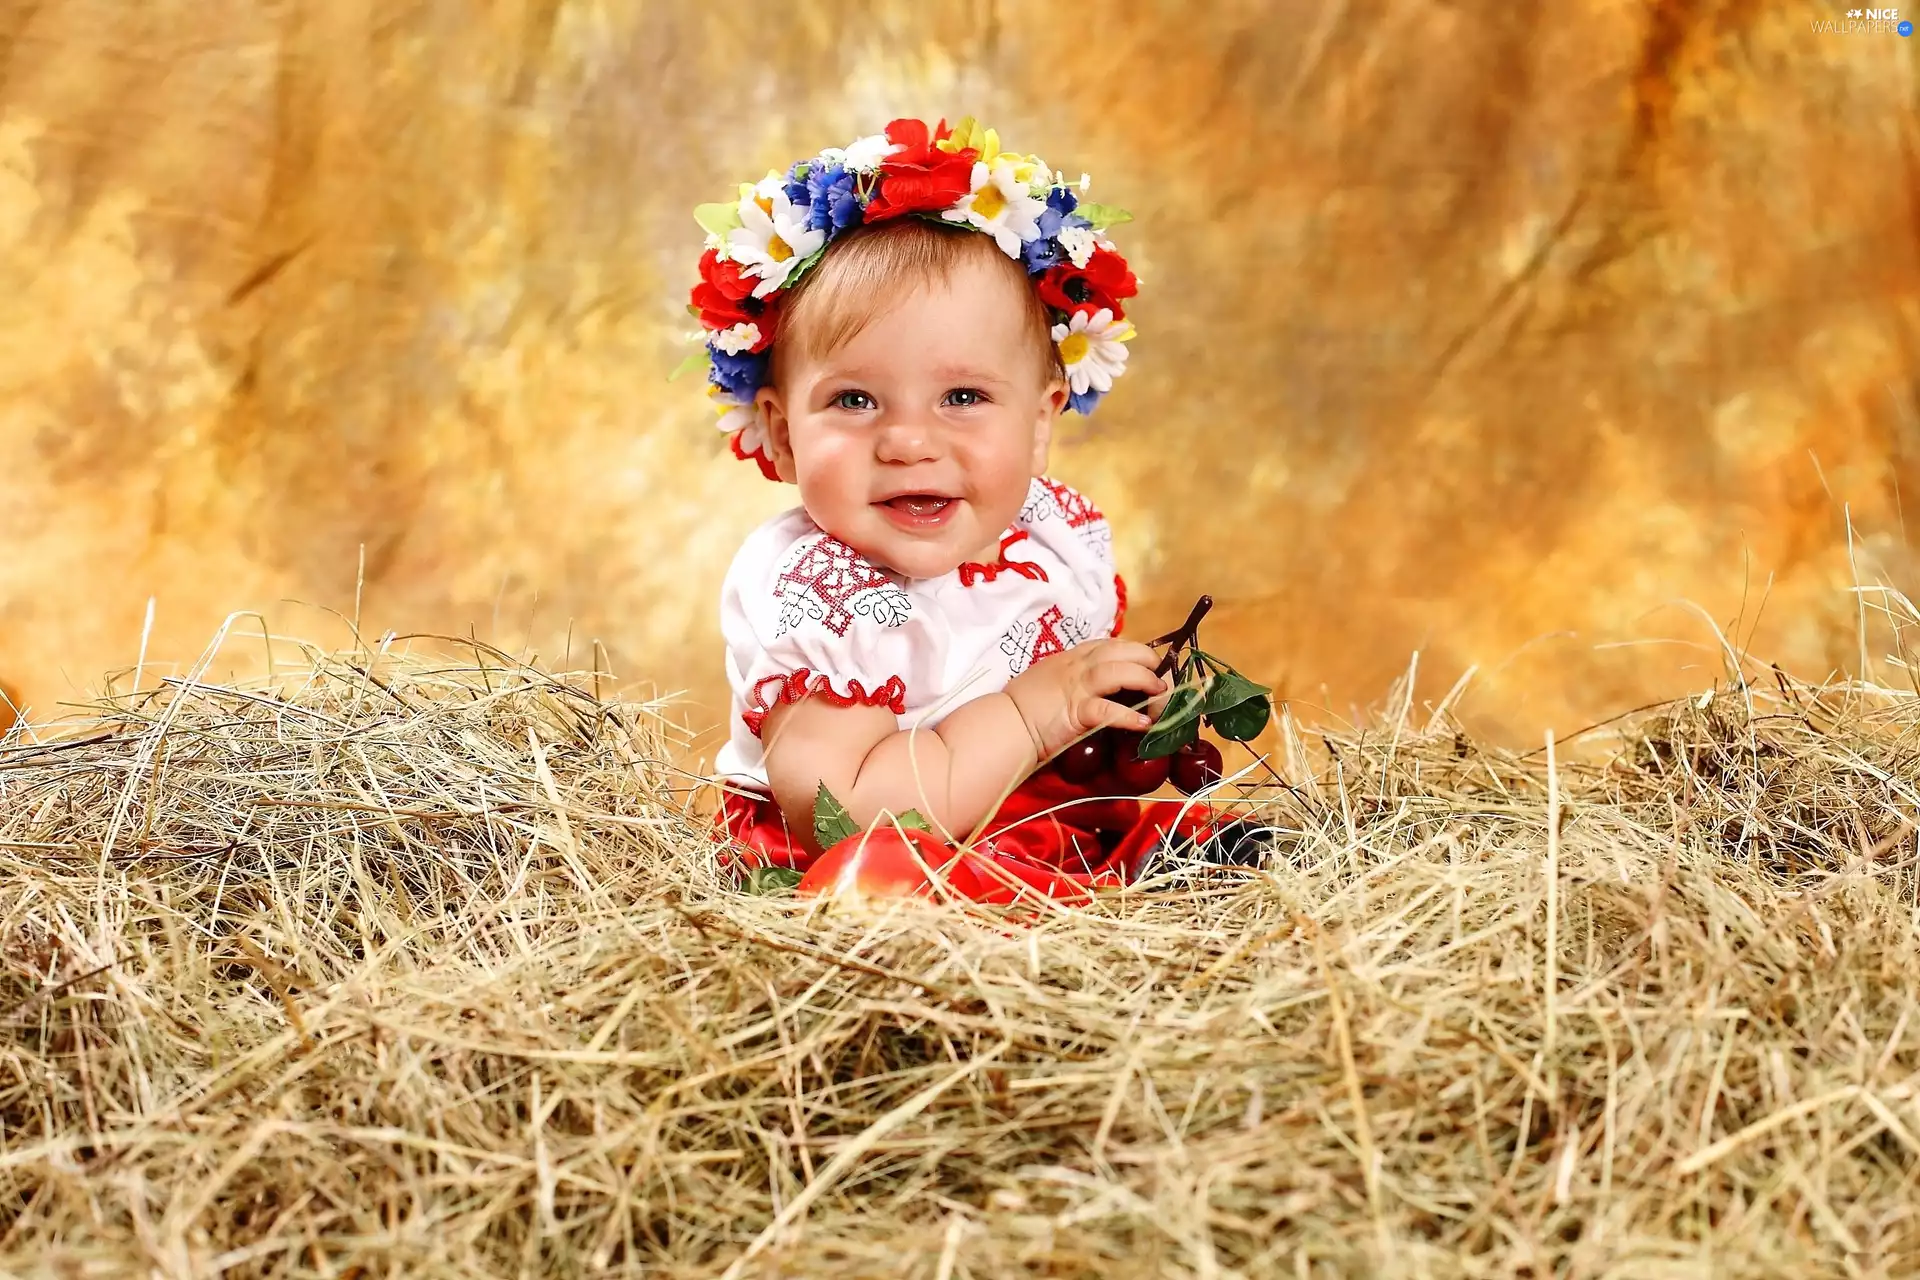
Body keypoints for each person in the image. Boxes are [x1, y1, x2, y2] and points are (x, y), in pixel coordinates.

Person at [689, 118, 1225, 900]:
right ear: (781, 434)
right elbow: (847, 811)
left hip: (1034, 829)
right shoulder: (826, 600)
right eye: (854, 399)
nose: (909, 442)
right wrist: (1036, 711)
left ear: (1039, 423)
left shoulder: (1049, 537)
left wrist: (1111, 708)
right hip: (884, 849)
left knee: (1182, 839)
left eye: (964, 396)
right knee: (886, 883)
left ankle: (1170, 861)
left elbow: (1065, 727)